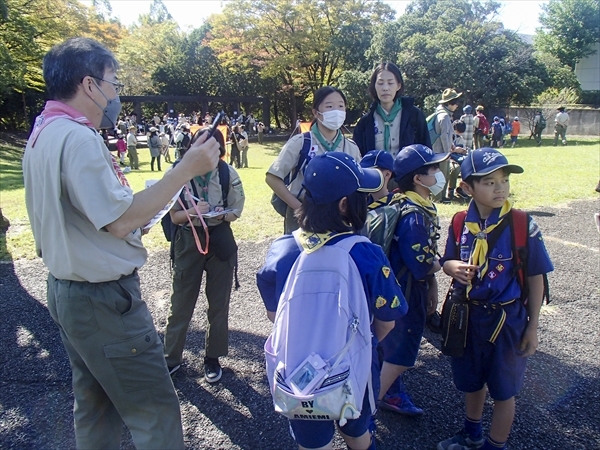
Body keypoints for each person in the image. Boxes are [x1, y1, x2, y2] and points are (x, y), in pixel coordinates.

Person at [22, 37, 220, 450]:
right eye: (113, 82)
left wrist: (134, 220)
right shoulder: (78, 138)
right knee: (155, 411)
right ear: (89, 84)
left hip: (67, 290)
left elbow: (94, 217)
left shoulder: (44, 131)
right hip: (104, 302)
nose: (116, 93)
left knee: (95, 406)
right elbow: (119, 220)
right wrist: (185, 169)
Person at [257, 152, 407, 450]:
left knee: (313, 444)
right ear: (344, 205)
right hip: (354, 367)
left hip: (298, 374)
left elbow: (276, 316)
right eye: (360, 195)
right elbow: (387, 322)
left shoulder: (281, 250)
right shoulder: (366, 253)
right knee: (358, 435)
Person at [437, 148, 553, 450]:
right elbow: (448, 259)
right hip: (470, 317)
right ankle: (472, 432)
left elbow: (535, 276)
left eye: (504, 180)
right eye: (489, 182)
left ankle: (496, 444)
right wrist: (451, 267)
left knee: (504, 390)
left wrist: (533, 325)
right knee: (471, 382)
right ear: (466, 188)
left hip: (507, 319)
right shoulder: (461, 222)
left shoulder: (521, 224)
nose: (500, 188)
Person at [164, 128, 245, 382]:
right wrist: (193, 212)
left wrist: (221, 214)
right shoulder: (179, 173)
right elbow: (174, 216)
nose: (209, 152)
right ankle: (171, 358)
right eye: (201, 145)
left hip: (219, 239)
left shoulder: (226, 173)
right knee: (180, 304)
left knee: (219, 304)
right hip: (189, 241)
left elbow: (236, 209)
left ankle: (213, 358)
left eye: (214, 147)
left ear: (221, 151)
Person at [378, 144, 448, 416]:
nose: (439, 173)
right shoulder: (414, 215)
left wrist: (432, 284)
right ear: (418, 179)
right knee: (400, 356)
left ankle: (389, 394)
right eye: (433, 169)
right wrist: (444, 264)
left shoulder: (409, 203)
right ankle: (366, 412)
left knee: (390, 350)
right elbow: (420, 265)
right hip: (405, 295)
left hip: (398, 290)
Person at [266, 86, 361, 234]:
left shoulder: (351, 147)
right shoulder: (300, 142)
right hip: (304, 216)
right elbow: (272, 177)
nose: (336, 111)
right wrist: (298, 207)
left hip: (341, 217)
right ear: (316, 112)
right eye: (329, 106)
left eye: (341, 106)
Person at [352, 62, 430, 159]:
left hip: (409, 174)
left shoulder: (415, 115)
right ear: (374, 86)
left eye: (390, 83)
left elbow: (426, 150)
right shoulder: (365, 123)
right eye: (380, 83)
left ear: (399, 85)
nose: (385, 88)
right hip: (377, 173)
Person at [432, 88, 462, 201]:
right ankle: (439, 198)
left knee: (442, 175)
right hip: (441, 152)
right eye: (456, 103)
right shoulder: (444, 116)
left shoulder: (439, 113)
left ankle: (441, 197)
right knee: (441, 176)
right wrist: (447, 153)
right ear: (450, 103)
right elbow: (444, 136)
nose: (457, 106)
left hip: (438, 151)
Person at [446, 120, 469, 202]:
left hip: (459, 158)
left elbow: (464, 150)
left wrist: (463, 151)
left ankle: (462, 189)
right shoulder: (448, 136)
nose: (459, 134)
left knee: (469, 167)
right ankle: (451, 190)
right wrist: (455, 150)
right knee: (455, 169)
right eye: (458, 131)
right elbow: (445, 149)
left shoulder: (461, 139)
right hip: (449, 158)